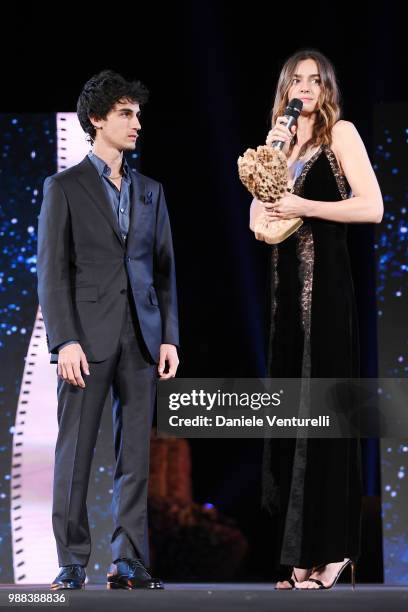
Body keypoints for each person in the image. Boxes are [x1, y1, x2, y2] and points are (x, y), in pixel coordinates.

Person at [37, 70, 179, 590]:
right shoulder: (64, 187)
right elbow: (52, 270)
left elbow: (163, 270)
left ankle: (128, 560)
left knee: (135, 456)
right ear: (97, 119)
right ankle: (72, 558)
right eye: (125, 113)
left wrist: (169, 336)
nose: (136, 122)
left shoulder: (150, 191)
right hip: (85, 339)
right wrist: (64, 340)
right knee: (75, 450)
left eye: (137, 113)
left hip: (140, 337)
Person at [250, 49, 383, 590]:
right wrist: (267, 189)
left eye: (314, 79)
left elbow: (372, 207)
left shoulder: (340, 134)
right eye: (295, 80)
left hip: (325, 292)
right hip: (283, 296)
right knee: (291, 417)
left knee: (326, 416)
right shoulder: (278, 144)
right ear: (285, 89)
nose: (304, 87)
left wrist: (305, 205)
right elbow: (259, 219)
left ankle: (334, 551)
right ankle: (298, 556)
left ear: (325, 88)